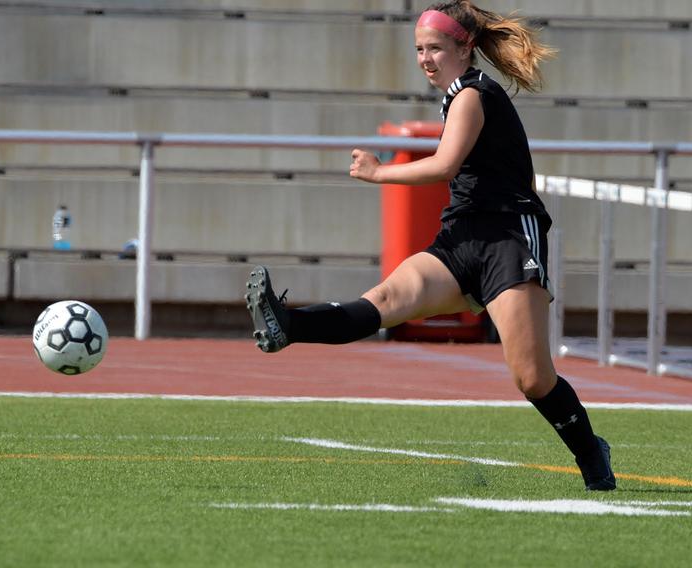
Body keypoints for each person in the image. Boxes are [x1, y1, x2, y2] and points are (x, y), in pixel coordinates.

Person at [244, 1, 615, 491]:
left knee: (531, 377)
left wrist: (379, 173)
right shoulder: (459, 96)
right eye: (419, 48)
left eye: (435, 48)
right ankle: (288, 323)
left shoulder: (472, 94)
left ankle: (591, 450)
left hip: (506, 240)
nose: (425, 58)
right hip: (461, 237)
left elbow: (443, 165)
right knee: (384, 302)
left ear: (465, 48)